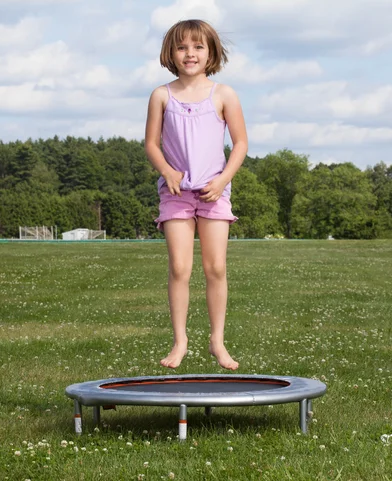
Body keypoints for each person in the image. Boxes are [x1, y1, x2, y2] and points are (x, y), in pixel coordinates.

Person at [144, 19, 248, 370]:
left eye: (198, 46)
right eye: (182, 47)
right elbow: (151, 144)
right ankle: (180, 341)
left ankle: (217, 341)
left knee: (215, 267)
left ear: (211, 52)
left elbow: (241, 144)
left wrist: (222, 181)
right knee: (180, 267)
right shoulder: (162, 95)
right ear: (171, 53)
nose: (190, 53)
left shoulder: (224, 95)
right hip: (176, 194)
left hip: (213, 193)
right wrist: (167, 171)